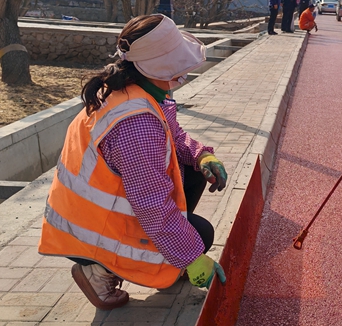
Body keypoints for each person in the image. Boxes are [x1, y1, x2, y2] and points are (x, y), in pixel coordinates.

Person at [39, 15, 229, 310]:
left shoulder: (135, 89)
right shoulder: (136, 124)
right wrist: (191, 257)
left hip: (91, 213)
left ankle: (166, 252)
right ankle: (99, 272)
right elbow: (152, 205)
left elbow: (174, 135)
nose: (184, 72)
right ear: (161, 67)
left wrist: (201, 154)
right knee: (200, 237)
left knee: (192, 172)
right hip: (89, 232)